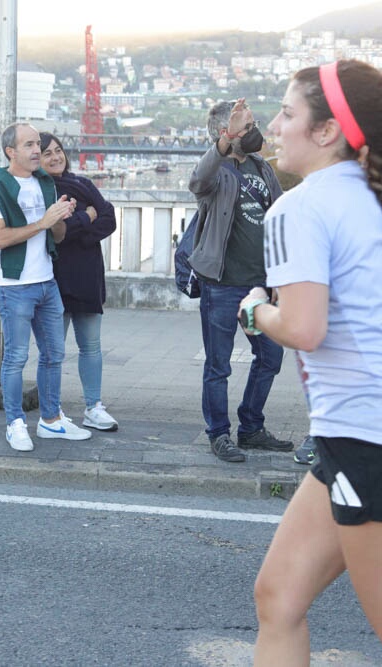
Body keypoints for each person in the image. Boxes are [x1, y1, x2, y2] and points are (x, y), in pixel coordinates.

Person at [240, 59, 382, 664]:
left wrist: (253, 311)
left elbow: (301, 326)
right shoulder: (367, 197)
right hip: (347, 436)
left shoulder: (297, 209)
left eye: (288, 113)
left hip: (365, 436)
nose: (273, 125)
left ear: (327, 132)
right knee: (278, 597)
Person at [188, 98, 292, 463]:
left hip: (259, 288)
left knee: (270, 356)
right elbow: (198, 180)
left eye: (252, 125)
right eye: (246, 128)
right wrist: (223, 144)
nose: (254, 132)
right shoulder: (215, 172)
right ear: (225, 133)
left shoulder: (262, 168)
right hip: (222, 285)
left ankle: (250, 427)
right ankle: (219, 433)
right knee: (219, 365)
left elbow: (280, 215)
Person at [0, 122, 91, 451]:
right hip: (15, 286)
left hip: (46, 282)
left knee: (54, 354)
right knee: (15, 357)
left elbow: (57, 236)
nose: (37, 150)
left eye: (37, 143)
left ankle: (51, 420)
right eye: (29, 145)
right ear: (11, 151)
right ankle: (15, 423)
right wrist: (42, 221)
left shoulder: (45, 184)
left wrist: (59, 220)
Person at [39, 132, 118, 431]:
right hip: (53, 278)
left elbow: (109, 219)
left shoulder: (82, 183)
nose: (55, 157)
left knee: (92, 346)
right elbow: (51, 233)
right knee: (53, 350)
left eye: (58, 151)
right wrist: (86, 218)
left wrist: (74, 228)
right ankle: (52, 411)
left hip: (87, 275)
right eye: (47, 153)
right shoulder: (40, 189)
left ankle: (93, 406)